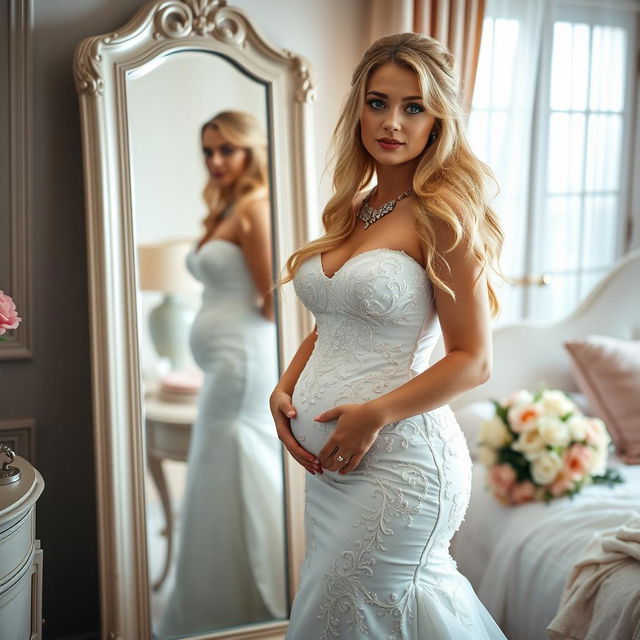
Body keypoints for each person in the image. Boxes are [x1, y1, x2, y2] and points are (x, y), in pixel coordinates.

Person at [270, 33, 508, 639]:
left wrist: (374, 414)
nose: (392, 123)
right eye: (378, 103)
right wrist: (286, 388)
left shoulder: (444, 214)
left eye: (413, 107)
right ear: (358, 109)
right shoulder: (357, 207)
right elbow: (335, 324)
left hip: (399, 467)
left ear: (439, 120)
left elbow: (473, 360)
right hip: (334, 471)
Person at [158, 111, 286, 637]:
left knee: (232, 463)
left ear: (250, 151)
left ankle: (262, 603)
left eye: (226, 150)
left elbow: (275, 302)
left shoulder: (255, 209)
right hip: (223, 363)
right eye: (208, 150)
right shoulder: (228, 207)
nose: (214, 160)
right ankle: (223, 605)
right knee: (216, 473)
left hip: (242, 364)